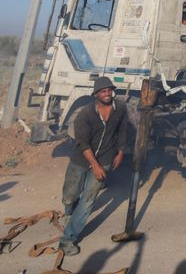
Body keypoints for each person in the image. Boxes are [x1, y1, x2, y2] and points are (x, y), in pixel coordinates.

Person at [59, 76, 129, 255]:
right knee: (71, 193)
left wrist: (120, 152)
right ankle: (68, 212)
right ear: (96, 94)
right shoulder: (86, 114)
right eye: (103, 91)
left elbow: (122, 131)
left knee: (88, 199)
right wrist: (94, 166)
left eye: (109, 90)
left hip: (105, 157)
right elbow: (83, 144)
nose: (107, 94)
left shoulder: (120, 108)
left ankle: (68, 239)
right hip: (81, 159)